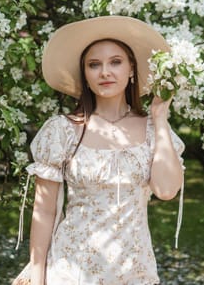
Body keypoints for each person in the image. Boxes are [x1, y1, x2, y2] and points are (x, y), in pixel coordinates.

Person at [19, 16, 185, 285]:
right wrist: (38, 276)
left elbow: (166, 191)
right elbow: (45, 211)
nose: (105, 72)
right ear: (85, 74)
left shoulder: (154, 131)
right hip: (71, 271)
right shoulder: (62, 130)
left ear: (132, 69)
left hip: (135, 272)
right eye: (94, 65)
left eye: (115, 62)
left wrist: (160, 116)